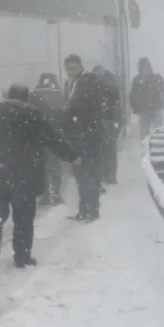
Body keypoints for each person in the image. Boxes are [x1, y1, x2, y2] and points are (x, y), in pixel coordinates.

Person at [0, 83, 79, 267]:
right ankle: (22, 256)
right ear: (26, 98)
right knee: (23, 217)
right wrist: (71, 156)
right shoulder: (33, 114)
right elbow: (52, 139)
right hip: (24, 174)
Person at [63, 54, 108, 222]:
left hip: (89, 135)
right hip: (77, 136)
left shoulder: (89, 81)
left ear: (81, 66)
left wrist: (72, 112)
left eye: (73, 69)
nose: (70, 72)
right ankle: (83, 210)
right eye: (67, 69)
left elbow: (91, 107)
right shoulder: (69, 84)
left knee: (90, 173)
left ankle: (93, 210)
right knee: (80, 175)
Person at [29, 73, 69, 206]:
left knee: (41, 167)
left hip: (39, 137)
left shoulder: (33, 96)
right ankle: (56, 194)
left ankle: (45, 195)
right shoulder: (59, 95)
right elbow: (64, 115)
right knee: (55, 166)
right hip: (54, 136)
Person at [92, 66, 122, 185]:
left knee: (103, 149)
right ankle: (110, 176)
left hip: (105, 121)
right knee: (110, 149)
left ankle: (105, 175)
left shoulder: (100, 86)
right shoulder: (112, 83)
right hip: (110, 121)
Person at [130, 57, 164, 139]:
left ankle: (157, 144)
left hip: (155, 108)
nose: (145, 69)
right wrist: (135, 108)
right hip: (144, 110)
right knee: (145, 134)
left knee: (157, 131)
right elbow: (132, 96)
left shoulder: (156, 78)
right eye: (143, 67)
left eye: (146, 67)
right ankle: (146, 148)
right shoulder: (137, 80)